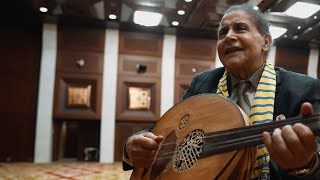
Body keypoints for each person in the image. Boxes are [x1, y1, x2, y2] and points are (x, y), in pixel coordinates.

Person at [122, 3, 320, 179]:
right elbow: (164, 129)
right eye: (222, 32)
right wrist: (132, 146)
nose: (229, 37)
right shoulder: (203, 82)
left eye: (240, 29)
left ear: (266, 42)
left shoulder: (303, 89)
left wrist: (306, 162)